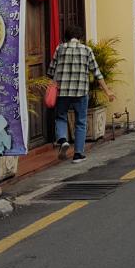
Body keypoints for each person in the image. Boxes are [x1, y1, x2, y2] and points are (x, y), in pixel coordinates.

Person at [49, 25, 113, 164]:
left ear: (65, 37)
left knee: (61, 117)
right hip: (81, 92)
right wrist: (107, 91)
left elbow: (51, 70)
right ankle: (78, 154)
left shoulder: (60, 49)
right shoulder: (87, 50)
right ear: (80, 38)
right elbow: (97, 73)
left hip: (63, 91)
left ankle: (62, 139)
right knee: (81, 122)